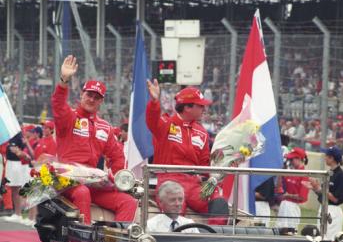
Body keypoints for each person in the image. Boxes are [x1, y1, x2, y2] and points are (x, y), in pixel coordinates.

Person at [51, 55, 137, 225]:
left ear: (101, 102)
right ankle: (85, 238)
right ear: (82, 95)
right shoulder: (69, 118)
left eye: (96, 97)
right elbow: (58, 105)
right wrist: (63, 81)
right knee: (82, 192)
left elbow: (117, 156)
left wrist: (119, 179)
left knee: (129, 202)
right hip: (67, 180)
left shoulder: (105, 127)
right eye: (89, 95)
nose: (91, 99)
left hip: (92, 181)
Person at [146, 79, 229, 221]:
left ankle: (214, 239)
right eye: (201, 106)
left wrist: (218, 170)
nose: (205, 109)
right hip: (169, 180)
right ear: (187, 107)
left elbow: (204, 165)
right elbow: (151, 119)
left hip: (194, 184)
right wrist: (154, 101)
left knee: (218, 200)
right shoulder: (165, 124)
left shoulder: (202, 132)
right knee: (175, 206)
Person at [308, 146, 343, 241]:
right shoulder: (329, 173)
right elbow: (323, 194)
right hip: (324, 207)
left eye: (327, 156)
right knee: (320, 238)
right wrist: (315, 188)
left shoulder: (341, 175)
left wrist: (319, 188)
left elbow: (335, 199)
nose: (325, 158)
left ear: (332, 158)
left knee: (330, 239)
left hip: (333, 211)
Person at [277, 147, 309, 230]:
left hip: (292, 207)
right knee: (279, 231)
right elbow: (279, 186)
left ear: (299, 158)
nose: (290, 161)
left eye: (292, 159)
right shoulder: (291, 171)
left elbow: (302, 197)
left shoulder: (304, 175)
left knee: (290, 232)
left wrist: (288, 195)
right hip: (284, 205)